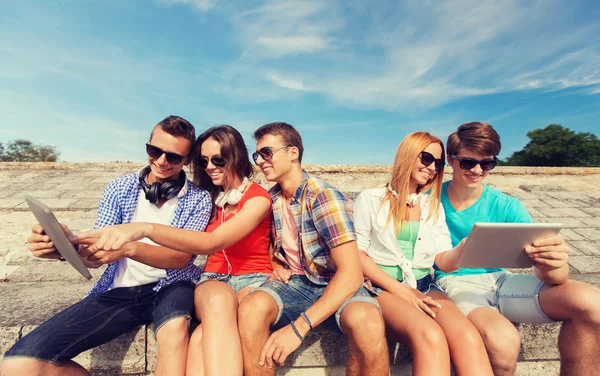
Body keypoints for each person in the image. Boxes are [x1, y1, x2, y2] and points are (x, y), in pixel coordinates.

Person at [1, 116, 212, 376]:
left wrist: (128, 247)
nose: (161, 161)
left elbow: (180, 258)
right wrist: (66, 246)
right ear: (147, 145)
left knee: (174, 329)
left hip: (174, 285)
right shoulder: (119, 188)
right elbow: (96, 254)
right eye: (154, 151)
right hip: (120, 290)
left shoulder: (199, 198)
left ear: (187, 160)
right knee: (17, 364)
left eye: (173, 157)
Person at [70, 125, 274, 376]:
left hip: (252, 279)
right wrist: (70, 242)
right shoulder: (208, 198)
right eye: (204, 160)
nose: (210, 167)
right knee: (219, 301)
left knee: (201, 339)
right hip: (214, 279)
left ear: (237, 157)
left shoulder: (258, 199)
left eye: (218, 160)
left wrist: (144, 229)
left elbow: (212, 242)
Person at [435, 121, 600, 376]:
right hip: (454, 283)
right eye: (468, 162)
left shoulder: (507, 206)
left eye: (487, 163)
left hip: (502, 281)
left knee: (592, 304)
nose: (477, 170)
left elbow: (553, 277)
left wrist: (554, 263)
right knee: (502, 341)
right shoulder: (428, 200)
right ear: (451, 159)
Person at [237, 122, 389, 376]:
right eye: (257, 155)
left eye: (266, 153)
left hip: (336, 283)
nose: (260, 161)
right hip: (296, 284)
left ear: (293, 153)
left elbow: (351, 274)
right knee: (251, 308)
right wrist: (274, 261)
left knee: (368, 322)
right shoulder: (271, 198)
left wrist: (299, 327)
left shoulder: (322, 196)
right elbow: (268, 239)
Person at [354, 131, 493, 375]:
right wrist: (402, 291)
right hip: (383, 287)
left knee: (468, 337)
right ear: (408, 154)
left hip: (425, 286)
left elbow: (442, 259)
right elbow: (358, 254)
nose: (432, 168)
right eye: (426, 158)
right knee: (431, 336)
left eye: (438, 163)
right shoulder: (370, 198)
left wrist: (463, 250)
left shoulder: (432, 206)